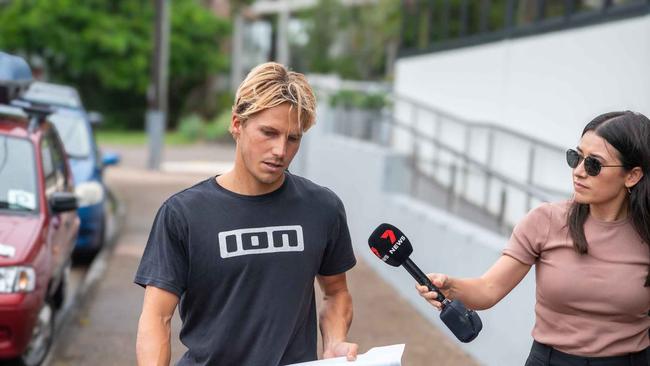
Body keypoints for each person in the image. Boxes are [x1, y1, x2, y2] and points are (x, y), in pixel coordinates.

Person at [135, 62, 358, 366]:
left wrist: (333, 343)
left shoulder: (323, 208)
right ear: (237, 124)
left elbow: (336, 294)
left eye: (293, 138)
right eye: (269, 132)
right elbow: (157, 317)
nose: (280, 150)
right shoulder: (183, 214)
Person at [417, 111, 650, 365]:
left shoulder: (645, 235)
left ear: (632, 175)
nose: (579, 171)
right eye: (576, 157)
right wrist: (450, 287)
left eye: (594, 164)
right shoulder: (545, 220)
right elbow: (489, 288)